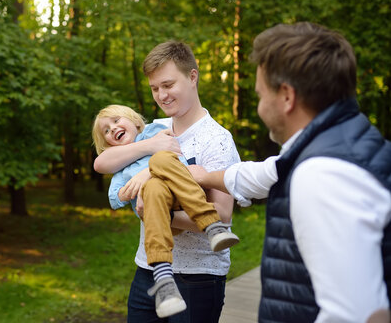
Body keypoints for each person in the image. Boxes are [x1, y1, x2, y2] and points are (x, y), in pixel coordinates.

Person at [188, 22, 391, 323]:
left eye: (260, 95)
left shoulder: (322, 174)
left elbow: (357, 315)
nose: (258, 108)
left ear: (286, 96)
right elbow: (263, 174)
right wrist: (204, 176)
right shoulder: (345, 142)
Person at [94, 41, 241, 322]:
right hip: (149, 268)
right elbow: (103, 162)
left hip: (197, 277)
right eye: (154, 88)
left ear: (193, 77)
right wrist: (147, 156)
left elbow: (223, 214)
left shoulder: (217, 139)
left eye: (168, 84)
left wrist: (157, 212)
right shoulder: (153, 131)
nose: (161, 95)